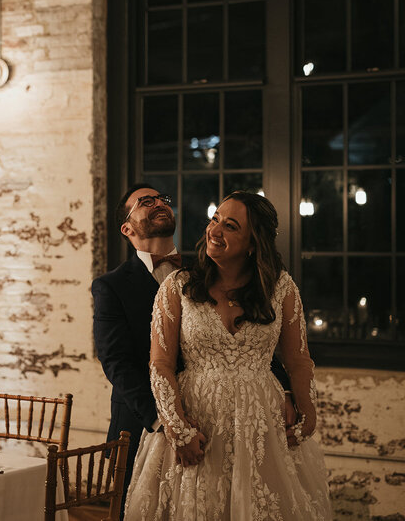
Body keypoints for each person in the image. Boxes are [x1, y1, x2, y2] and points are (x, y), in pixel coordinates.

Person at [123, 192, 331, 520]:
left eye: (230, 226)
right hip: (197, 424)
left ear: (253, 243)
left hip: (262, 427)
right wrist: (177, 427)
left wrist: (308, 412)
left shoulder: (281, 289)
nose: (214, 231)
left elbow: (298, 360)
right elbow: (160, 363)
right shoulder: (178, 286)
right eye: (215, 219)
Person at [92, 184, 294, 517]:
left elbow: (250, 337)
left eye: (162, 199)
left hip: (222, 422)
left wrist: (283, 387)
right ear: (127, 228)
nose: (159, 203)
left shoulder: (210, 268)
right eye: (146, 202)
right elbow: (118, 363)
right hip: (144, 424)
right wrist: (168, 423)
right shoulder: (110, 286)